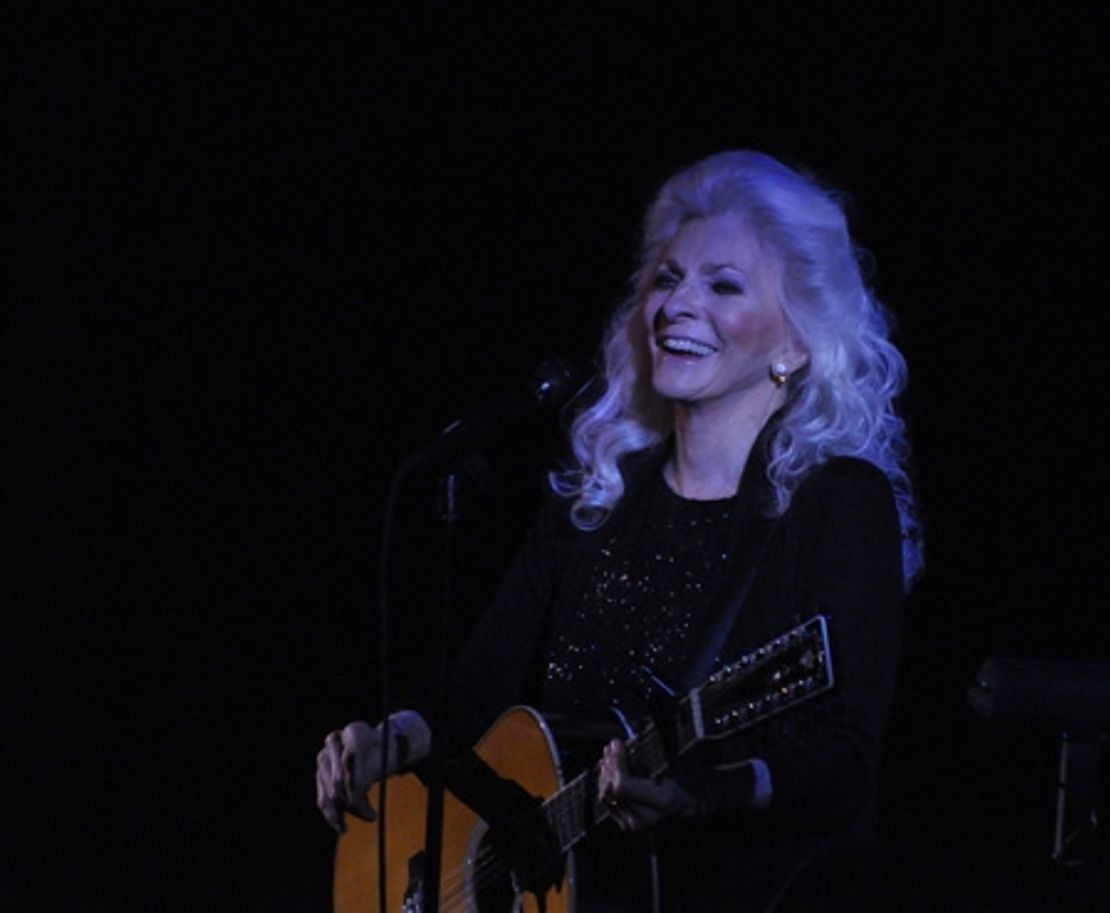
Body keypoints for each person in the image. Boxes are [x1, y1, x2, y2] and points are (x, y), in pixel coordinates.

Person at [316, 149, 924, 912]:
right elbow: (475, 685)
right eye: (668, 279)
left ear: (796, 343)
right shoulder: (597, 493)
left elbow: (845, 763)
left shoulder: (836, 503)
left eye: (724, 284)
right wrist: (391, 736)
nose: (678, 305)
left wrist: (706, 791)